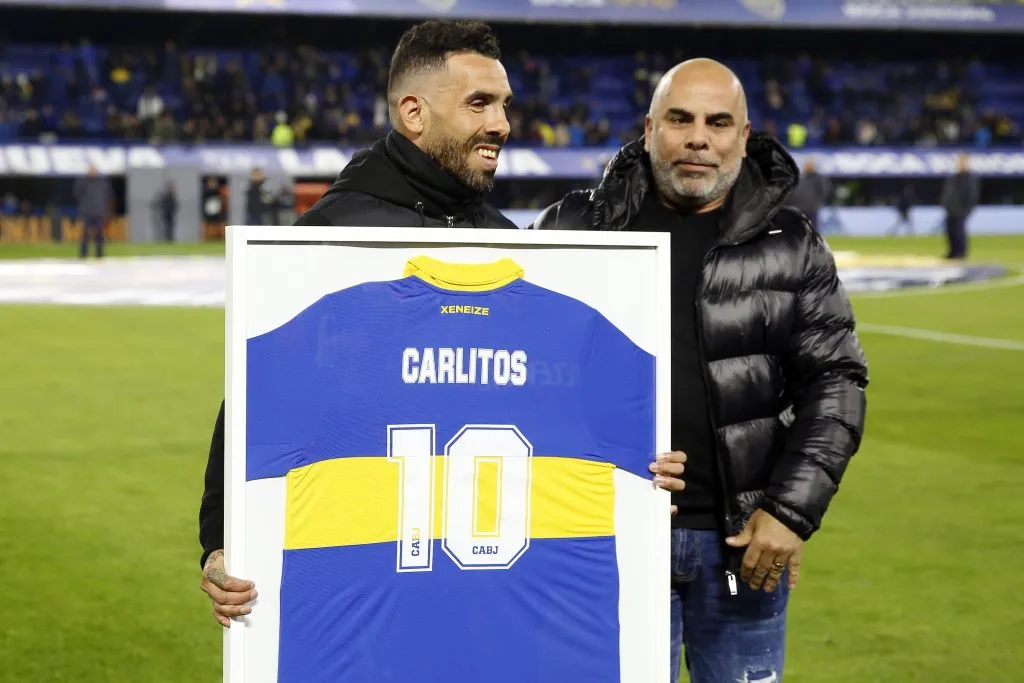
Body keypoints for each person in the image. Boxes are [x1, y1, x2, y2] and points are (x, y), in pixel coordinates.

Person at [198, 18, 688, 629]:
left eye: (505, 105)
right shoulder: (335, 243)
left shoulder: (506, 244)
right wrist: (221, 542)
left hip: (486, 598)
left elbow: (549, 400)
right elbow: (255, 399)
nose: (502, 125)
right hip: (369, 597)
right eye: (479, 103)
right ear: (413, 112)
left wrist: (641, 472)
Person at [531, 58, 869, 683]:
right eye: (680, 119)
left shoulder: (790, 243)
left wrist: (790, 513)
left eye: (718, 123)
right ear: (649, 127)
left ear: (743, 136)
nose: (698, 138)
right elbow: (520, 376)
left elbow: (836, 386)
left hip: (742, 551)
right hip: (605, 543)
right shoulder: (575, 229)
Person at [940, 153, 980, 260]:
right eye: (959, 162)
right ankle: (952, 252)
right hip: (950, 209)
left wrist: (967, 210)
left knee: (959, 232)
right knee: (950, 232)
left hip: (961, 210)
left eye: (962, 162)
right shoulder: (954, 177)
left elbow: (972, 195)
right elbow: (948, 192)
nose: (960, 164)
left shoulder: (970, 178)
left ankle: (961, 252)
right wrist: (945, 204)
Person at [73, 164, 112, 258]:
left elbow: (107, 196)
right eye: (91, 170)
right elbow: (76, 194)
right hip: (87, 212)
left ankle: (99, 255)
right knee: (85, 234)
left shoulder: (102, 183)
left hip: (99, 212)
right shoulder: (83, 182)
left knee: (99, 235)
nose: (92, 172)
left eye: (93, 170)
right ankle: (83, 254)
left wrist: (105, 210)